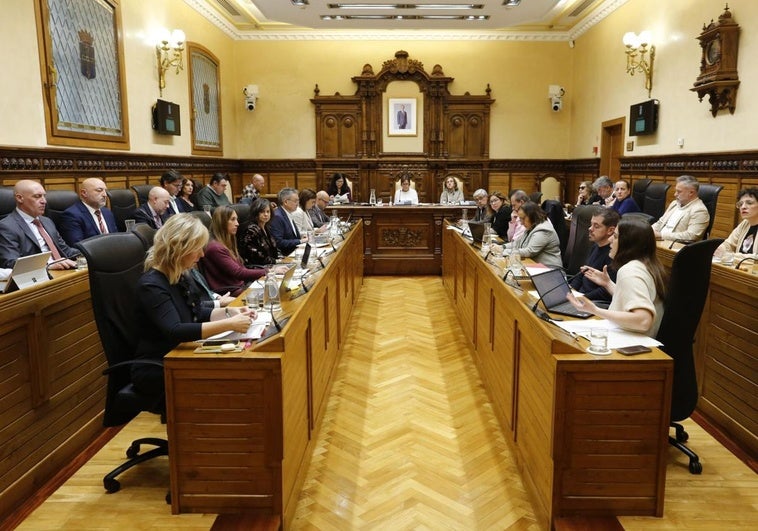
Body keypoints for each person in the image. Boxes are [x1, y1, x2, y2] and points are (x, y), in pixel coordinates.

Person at [131, 214, 254, 397]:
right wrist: (230, 324)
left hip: (182, 355)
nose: (202, 254)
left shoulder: (180, 274)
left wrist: (229, 312)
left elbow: (196, 312)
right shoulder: (151, 285)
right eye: (197, 248)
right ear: (180, 248)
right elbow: (176, 330)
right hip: (160, 366)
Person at [567, 217, 667, 337]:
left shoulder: (630, 271)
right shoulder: (647, 265)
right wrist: (607, 283)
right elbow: (629, 299)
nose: (609, 240)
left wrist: (595, 310)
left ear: (627, 243)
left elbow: (643, 320)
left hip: (629, 343)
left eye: (614, 236)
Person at [0, 179, 80, 269]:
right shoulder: (6, 226)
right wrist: (48, 265)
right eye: (37, 196)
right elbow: (10, 262)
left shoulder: (47, 221)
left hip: (64, 272)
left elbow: (66, 251)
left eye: (44, 196)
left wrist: (92, 252)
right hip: (38, 278)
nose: (44, 201)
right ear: (19, 198)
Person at [199, 206, 266, 297]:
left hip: (240, 286)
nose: (237, 224)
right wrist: (269, 271)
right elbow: (239, 273)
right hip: (230, 292)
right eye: (233, 219)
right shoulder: (215, 247)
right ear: (222, 222)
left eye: (237, 219)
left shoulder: (226, 241)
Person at [569, 208, 620, 303]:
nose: (590, 228)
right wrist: (570, 290)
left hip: (594, 303)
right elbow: (583, 273)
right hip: (581, 297)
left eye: (596, 226)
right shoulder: (595, 246)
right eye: (591, 224)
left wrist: (581, 298)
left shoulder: (613, 255)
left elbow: (606, 291)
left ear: (610, 230)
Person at [58, 177, 118, 245]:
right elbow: (78, 246)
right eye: (99, 190)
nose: (105, 195)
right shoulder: (71, 215)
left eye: (105, 191)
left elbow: (115, 238)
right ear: (84, 193)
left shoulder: (107, 213)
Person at [503, 201, 563, 269]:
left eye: (523, 218)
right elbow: (517, 243)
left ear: (532, 216)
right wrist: (502, 247)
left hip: (550, 271)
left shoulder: (543, 230)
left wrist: (506, 252)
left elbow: (530, 251)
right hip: (536, 267)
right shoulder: (532, 226)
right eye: (520, 219)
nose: (522, 223)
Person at [652, 174, 710, 242]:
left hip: (675, 245)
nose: (675, 194)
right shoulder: (674, 203)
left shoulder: (700, 210)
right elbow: (660, 222)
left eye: (679, 191)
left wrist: (661, 235)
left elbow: (691, 236)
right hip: (658, 240)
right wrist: (648, 231)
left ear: (691, 192)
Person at [714, 187, 758, 259]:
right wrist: (720, 249)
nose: (743, 207)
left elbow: (756, 258)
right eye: (740, 204)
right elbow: (728, 244)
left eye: (749, 203)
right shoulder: (745, 223)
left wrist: (732, 255)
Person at [238, 198, 280, 267]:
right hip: (257, 268)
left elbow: (273, 248)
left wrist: (280, 259)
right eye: (262, 212)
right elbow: (256, 256)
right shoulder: (251, 230)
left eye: (268, 211)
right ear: (256, 212)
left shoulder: (266, 227)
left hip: (270, 265)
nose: (266, 214)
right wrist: (276, 261)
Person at [269, 187, 307, 256]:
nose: (298, 204)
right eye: (295, 201)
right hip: (286, 256)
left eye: (298, 201)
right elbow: (278, 242)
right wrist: (300, 241)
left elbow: (290, 236)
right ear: (286, 202)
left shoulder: (288, 213)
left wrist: (301, 236)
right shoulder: (278, 216)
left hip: (295, 252)